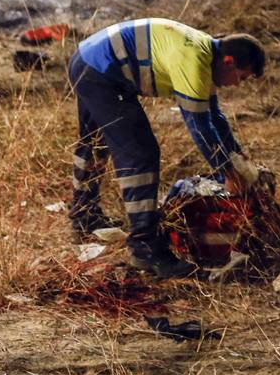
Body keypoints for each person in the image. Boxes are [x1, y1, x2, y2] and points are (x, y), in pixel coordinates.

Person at [68, 18, 268, 278]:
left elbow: (215, 118)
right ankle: (146, 248)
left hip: (88, 58)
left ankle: (84, 217)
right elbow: (201, 128)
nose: (237, 85)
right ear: (229, 61)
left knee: (94, 142)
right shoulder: (194, 61)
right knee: (141, 153)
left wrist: (239, 161)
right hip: (100, 70)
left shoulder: (204, 52)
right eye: (241, 77)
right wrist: (229, 173)